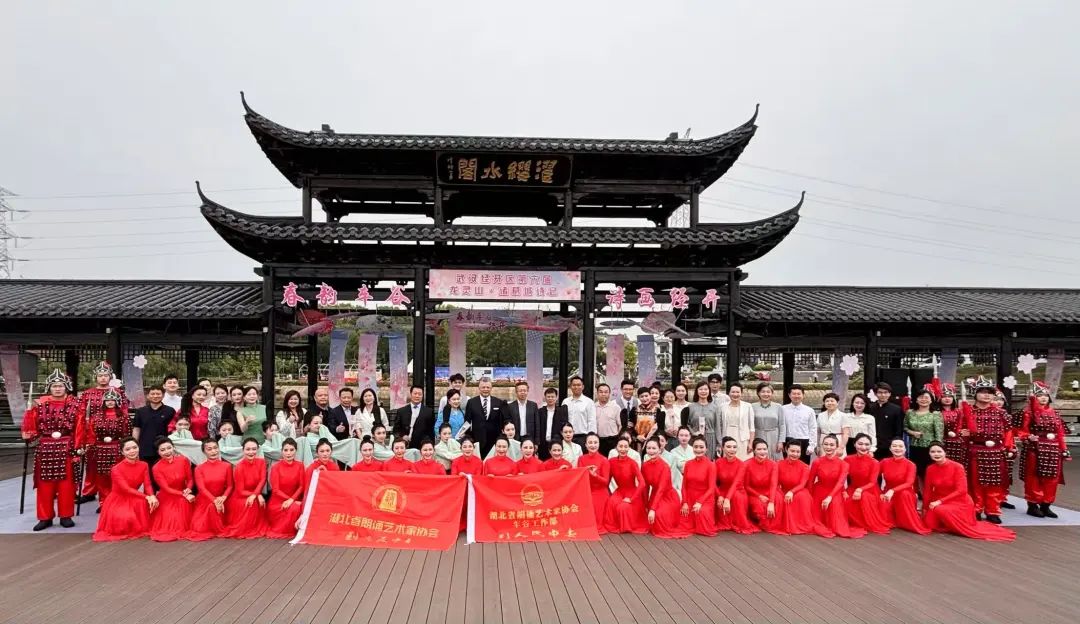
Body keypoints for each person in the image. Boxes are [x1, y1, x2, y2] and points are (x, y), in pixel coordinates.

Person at [21, 369, 80, 531]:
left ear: (66, 387)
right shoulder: (39, 405)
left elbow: (80, 427)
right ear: (49, 387)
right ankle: (45, 517)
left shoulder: (75, 405)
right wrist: (28, 429)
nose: (58, 389)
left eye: (60, 386)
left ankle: (66, 515)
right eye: (54, 386)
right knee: (44, 485)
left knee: (66, 485)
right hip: (45, 447)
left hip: (66, 446)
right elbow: (31, 426)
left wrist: (79, 447)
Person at [923, 442, 1015, 541]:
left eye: (939, 451)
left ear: (945, 452)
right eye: (933, 452)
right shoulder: (930, 468)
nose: (936, 454)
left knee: (940, 510)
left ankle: (956, 524)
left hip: (958, 501)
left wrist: (939, 501)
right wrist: (925, 507)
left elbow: (961, 490)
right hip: (939, 501)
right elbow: (928, 490)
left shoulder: (957, 467)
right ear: (929, 454)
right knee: (929, 523)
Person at [963, 376, 1014, 524]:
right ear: (975, 394)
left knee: (995, 482)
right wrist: (962, 434)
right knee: (975, 482)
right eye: (983, 392)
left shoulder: (1001, 413)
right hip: (975, 450)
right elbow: (960, 430)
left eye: (990, 392)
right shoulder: (967, 411)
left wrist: (1008, 448)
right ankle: (976, 509)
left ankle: (992, 510)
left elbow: (1008, 432)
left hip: (996, 451)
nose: (987, 395)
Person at [76, 361, 129, 504]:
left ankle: (112, 494)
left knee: (112, 466)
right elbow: (81, 414)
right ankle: (89, 491)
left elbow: (123, 411)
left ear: (110, 376)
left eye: (106, 375)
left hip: (112, 432)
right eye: (100, 375)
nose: (103, 378)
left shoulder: (118, 393)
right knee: (92, 464)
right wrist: (83, 434)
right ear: (96, 377)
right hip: (92, 432)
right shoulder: (88, 394)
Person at [1019, 380, 1070, 519]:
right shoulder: (1028, 413)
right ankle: (1033, 505)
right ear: (1034, 397)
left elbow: (1060, 433)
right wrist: (1028, 437)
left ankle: (1046, 504)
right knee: (1034, 478)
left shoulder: (1055, 413)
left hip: (1053, 449)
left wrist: (1064, 449)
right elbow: (1021, 431)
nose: (1043, 398)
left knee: (1052, 478)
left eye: (1046, 395)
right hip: (1035, 449)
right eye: (1039, 395)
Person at [92, 437, 156, 541]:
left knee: (152, 507)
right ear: (122, 452)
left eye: (134, 447)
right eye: (128, 449)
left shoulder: (144, 465)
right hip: (119, 500)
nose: (132, 451)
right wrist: (147, 497)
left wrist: (152, 496)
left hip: (135, 497)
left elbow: (148, 484)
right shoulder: (116, 469)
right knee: (126, 520)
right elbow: (126, 489)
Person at [808, 434, 865, 539]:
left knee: (837, 519)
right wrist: (810, 497)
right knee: (815, 519)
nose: (828, 447)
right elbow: (811, 481)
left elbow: (840, 483)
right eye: (826, 444)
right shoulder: (817, 462)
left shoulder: (843, 464)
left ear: (837, 446)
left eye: (831, 445)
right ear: (822, 445)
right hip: (818, 491)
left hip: (834, 491)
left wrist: (830, 497)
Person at [776, 440, 834, 538]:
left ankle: (798, 524)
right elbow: (775, 483)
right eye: (792, 451)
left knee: (801, 496)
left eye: (798, 452)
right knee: (778, 497)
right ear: (786, 450)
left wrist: (791, 492)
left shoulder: (805, 467)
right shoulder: (778, 464)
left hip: (798, 491)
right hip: (784, 491)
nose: (795, 454)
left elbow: (802, 484)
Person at [640, 437, 690, 538]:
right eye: (648, 448)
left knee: (658, 516)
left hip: (668, 497)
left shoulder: (665, 467)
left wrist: (652, 509)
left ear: (659, 450)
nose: (651, 451)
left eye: (654, 448)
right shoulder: (644, 466)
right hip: (654, 496)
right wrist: (645, 504)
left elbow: (661, 490)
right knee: (644, 515)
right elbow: (645, 487)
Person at [879, 438, 930, 535]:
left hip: (904, 493)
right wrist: (880, 492)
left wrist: (892, 490)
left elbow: (909, 483)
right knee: (883, 510)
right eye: (894, 446)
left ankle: (905, 522)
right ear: (890, 448)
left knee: (904, 495)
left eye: (900, 446)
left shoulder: (910, 465)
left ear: (905, 449)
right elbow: (873, 476)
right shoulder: (884, 462)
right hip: (888, 493)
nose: (897, 448)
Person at [843, 434, 892, 535]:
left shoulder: (874, 462)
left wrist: (860, 490)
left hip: (870, 490)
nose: (863, 447)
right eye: (860, 444)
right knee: (845, 501)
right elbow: (842, 478)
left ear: (870, 446)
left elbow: (872, 482)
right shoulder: (847, 459)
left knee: (864, 497)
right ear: (854, 444)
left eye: (867, 444)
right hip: (853, 488)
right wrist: (843, 490)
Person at [149, 437, 194, 542]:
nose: (167, 451)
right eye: (162, 450)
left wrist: (188, 488)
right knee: (173, 522)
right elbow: (166, 488)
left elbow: (190, 479)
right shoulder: (156, 468)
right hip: (167, 497)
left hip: (183, 493)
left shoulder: (183, 460)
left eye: (169, 448)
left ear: (173, 447)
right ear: (158, 452)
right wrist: (185, 494)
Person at [188, 438, 232, 541]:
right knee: (199, 528)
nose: (213, 451)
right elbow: (202, 489)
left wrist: (223, 498)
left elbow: (230, 486)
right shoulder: (199, 469)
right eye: (209, 449)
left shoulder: (227, 466)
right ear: (204, 452)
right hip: (205, 500)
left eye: (215, 448)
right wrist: (215, 501)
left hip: (222, 499)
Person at [225, 438, 267, 539]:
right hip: (241, 497)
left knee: (257, 502)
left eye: (254, 449)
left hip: (254, 494)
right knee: (252, 503)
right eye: (248, 449)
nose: (251, 452)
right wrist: (257, 495)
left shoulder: (262, 462)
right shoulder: (239, 467)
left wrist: (256, 494)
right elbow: (240, 491)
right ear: (243, 450)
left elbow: (262, 480)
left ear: (257, 449)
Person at [904, 386, 944, 494]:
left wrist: (937, 449)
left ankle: (934, 494)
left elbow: (939, 433)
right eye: (921, 397)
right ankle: (923, 494)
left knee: (931, 473)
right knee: (919, 473)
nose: (923, 399)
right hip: (915, 447)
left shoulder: (935, 414)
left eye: (926, 397)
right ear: (916, 400)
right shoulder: (910, 413)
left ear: (931, 400)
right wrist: (912, 433)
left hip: (931, 448)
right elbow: (905, 427)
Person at [604, 438, 648, 534]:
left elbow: (642, 483)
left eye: (625, 446)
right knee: (611, 503)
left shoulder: (632, 463)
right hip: (619, 491)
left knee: (623, 507)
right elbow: (607, 481)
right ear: (616, 448)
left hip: (632, 492)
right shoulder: (611, 461)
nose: (623, 449)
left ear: (629, 448)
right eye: (620, 446)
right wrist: (606, 493)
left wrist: (632, 499)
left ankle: (626, 527)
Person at [714, 436, 757, 534]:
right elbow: (713, 481)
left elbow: (736, 483)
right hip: (723, 490)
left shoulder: (741, 464)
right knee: (716, 498)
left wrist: (727, 499)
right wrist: (719, 495)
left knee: (737, 497)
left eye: (734, 447)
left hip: (738, 490)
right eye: (728, 447)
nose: (732, 449)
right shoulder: (718, 462)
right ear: (723, 448)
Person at [743, 438, 786, 534]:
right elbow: (746, 486)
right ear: (754, 451)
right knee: (759, 506)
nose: (762, 452)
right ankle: (763, 523)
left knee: (778, 499)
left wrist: (771, 502)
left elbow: (774, 484)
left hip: (770, 490)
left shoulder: (773, 464)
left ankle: (775, 524)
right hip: (754, 492)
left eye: (764, 449)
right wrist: (759, 496)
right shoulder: (747, 464)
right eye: (759, 449)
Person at [266, 437, 305, 539]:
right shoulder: (275, 467)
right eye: (286, 450)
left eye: (291, 450)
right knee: (295, 507)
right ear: (282, 451)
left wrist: (292, 500)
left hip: (294, 499)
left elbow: (301, 486)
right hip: (278, 502)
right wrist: (290, 500)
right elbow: (276, 490)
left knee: (299, 507)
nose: (288, 453)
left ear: (296, 451)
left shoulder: (300, 466)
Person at [679, 434, 718, 536]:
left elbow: (711, 488)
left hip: (705, 498)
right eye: (695, 447)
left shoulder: (711, 465)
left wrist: (700, 502)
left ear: (706, 449)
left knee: (702, 514)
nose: (698, 449)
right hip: (690, 497)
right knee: (683, 522)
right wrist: (685, 502)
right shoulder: (688, 464)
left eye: (701, 447)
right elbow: (684, 486)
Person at [465, 377, 506, 457]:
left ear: (491, 388)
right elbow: (467, 422)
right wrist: (468, 439)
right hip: (476, 440)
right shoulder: (471, 402)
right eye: (483, 387)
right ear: (479, 388)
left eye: (488, 387)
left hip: (494, 441)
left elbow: (502, 422)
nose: (485, 389)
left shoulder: (499, 402)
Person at [577, 434, 611, 532]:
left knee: (595, 520)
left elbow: (606, 482)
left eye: (595, 442)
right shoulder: (581, 459)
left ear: (599, 444)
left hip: (599, 492)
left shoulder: (604, 460)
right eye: (590, 443)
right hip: (585, 491)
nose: (593, 445)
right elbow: (580, 479)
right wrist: (585, 472)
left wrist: (595, 475)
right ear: (586, 445)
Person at [778, 385, 817, 463]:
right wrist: (780, 441)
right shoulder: (783, 409)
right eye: (794, 394)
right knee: (788, 464)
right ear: (789, 395)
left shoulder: (809, 410)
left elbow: (813, 428)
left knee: (804, 465)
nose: (796, 396)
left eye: (799, 394)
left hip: (804, 441)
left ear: (803, 395)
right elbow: (780, 426)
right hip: (788, 440)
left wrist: (812, 445)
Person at [393, 386, 436, 450]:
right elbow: (396, 429)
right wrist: (402, 436)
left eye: (419, 394)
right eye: (415, 393)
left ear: (422, 396)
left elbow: (431, 431)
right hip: (405, 447)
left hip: (422, 447)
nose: (417, 396)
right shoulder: (401, 411)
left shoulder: (429, 412)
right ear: (410, 394)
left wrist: (431, 445)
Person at [684, 381, 720, 459]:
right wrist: (693, 432)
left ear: (709, 391)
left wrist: (719, 443)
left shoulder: (715, 408)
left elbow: (717, 426)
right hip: (694, 438)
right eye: (701, 389)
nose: (703, 391)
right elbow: (687, 424)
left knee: (708, 461)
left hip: (710, 438)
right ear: (697, 391)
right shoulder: (691, 407)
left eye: (705, 389)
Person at [869, 382, 904, 460]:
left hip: (889, 446)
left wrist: (895, 445)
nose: (883, 395)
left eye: (886, 392)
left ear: (890, 394)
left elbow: (899, 430)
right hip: (872, 446)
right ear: (875, 394)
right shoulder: (870, 408)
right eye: (880, 392)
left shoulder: (896, 409)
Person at [722, 383, 755, 460]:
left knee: (743, 460)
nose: (735, 394)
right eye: (733, 392)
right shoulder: (723, 406)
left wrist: (751, 443)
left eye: (737, 392)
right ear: (729, 393)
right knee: (728, 460)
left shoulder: (748, 406)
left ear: (741, 393)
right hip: (728, 435)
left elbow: (752, 427)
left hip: (742, 438)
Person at [938, 383, 968, 468]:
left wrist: (959, 432)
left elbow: (962, 425)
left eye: (950, 396)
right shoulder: (936, 412)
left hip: (957, 442)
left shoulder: (958, 411)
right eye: (944, 396)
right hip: (941, 441)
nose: (947, 398)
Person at [562, 376, 596, 448]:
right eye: (574, 385)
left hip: (583, 438)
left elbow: (592, 421)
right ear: (570, 387)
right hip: (568, 437)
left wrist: (591, 438)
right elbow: (562, 420)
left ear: (583, 387)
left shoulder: (589, 402)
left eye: (578, 385)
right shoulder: (565, 402)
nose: (576, 387)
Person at [536, 388, 569, 460]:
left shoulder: (561, 412)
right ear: (545, 398)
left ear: (556, 397)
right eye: (548, 397)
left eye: (552, 396)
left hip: (557, 444)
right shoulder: (540, 412)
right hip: (543, 444)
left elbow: (564, 427)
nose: (550, 398)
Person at [752, 383, 782, 460]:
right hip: (758, 435)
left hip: (774, 437)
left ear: (772, 393)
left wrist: (781, 441)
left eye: (768, 392)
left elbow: (782, 425)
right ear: (758, 393)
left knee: (775, 458)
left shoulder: (778, 407)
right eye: (763, 392)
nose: (766, 394)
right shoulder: (752, 406)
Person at [594, 383, 625, 456]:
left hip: (612, 440)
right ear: (597, 393)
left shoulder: (615, 407)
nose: (603, 394)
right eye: (601, 392)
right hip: (598, 440)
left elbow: (620, 425)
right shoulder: (593, 406)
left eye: (606, 392)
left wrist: (617, 438)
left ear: (609, 393)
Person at [630, 386, 662, 452]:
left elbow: (659, 427)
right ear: (638, 398)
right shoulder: (634, 410)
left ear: (650, 396)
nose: (644, 398)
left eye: (646, 396)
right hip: (637, 442)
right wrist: (637, 436)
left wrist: (651, 437)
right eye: (642, 396)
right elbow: (630, 427)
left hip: (652, 442)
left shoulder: (657, 410)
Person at [816, 392, 846, 457]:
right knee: (824, 461)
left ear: (837, 403)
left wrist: (841, 447)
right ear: (824, 403)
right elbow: (818, 432)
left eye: (832, 401)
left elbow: (846, 433)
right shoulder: (820, 415)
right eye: (827, 401)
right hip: (824, 442)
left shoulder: (843, 416)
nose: (829, 403)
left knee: (838, 461)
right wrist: (817, 446)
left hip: (838, 442)